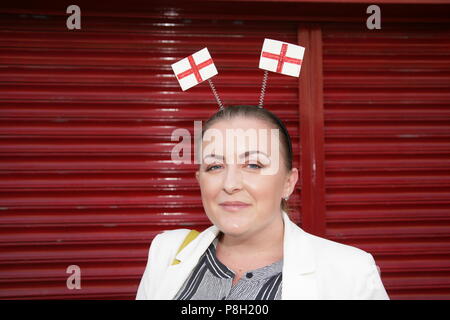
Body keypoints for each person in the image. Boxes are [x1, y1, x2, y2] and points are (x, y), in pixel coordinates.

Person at [136, 105, 389, 300]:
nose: (230, 183)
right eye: (214, 166)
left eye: (254, 165)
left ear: (288, 182)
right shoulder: (166, 251)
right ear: (199, 179)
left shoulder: (349, 272)